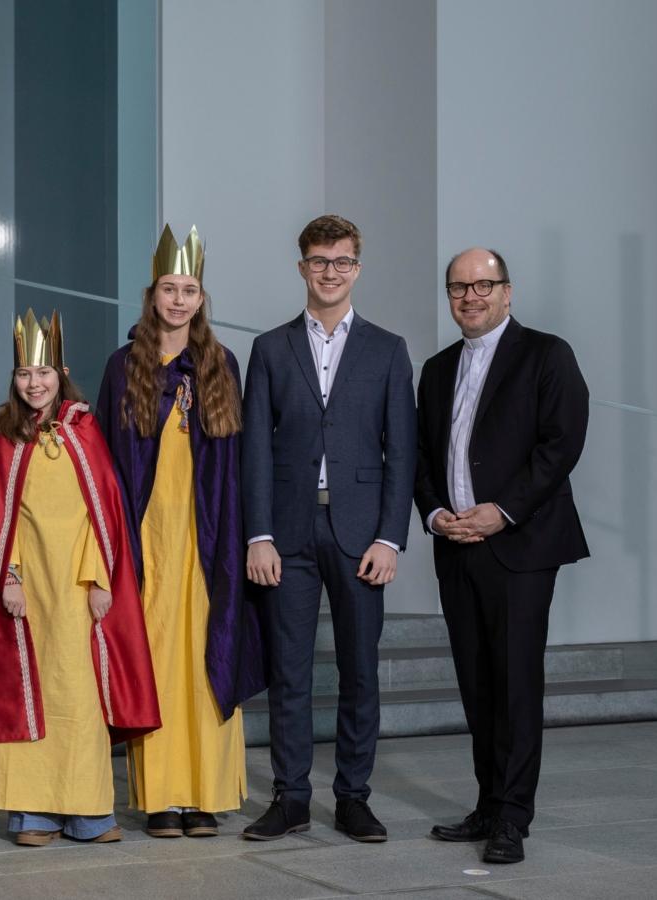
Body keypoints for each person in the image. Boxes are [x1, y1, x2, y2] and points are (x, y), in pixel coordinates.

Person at [240, 214, 416, 843]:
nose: (331, 272)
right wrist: (256, 533)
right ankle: (289, 797)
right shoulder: (268, 348)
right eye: (320, 261)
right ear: (302, 267)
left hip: (362, 534)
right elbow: (254, 448)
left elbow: (403, 452)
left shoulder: (389, 349)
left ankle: (353, 798)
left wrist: (390, 538)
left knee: (359, 670)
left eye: (342, 262)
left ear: (357, 269)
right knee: (289, 671)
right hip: (286, 534)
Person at [418, 248, 589, 865]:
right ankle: (489, 803)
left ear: (507, 292)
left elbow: (560, 444)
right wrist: (437, 514)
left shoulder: (546, 354)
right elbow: (422, 457)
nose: (471, 296)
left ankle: (513, 818)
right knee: (477, 681)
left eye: (483, 285)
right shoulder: (437, 370)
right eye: (459, 287)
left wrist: (502, 511)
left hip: (518, 545)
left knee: (516, 682)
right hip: (456, 545)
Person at [96, 225, 265, 838]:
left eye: (189, 290)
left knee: (206, 656)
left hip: (209, 539)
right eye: (169, 288)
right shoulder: (125, 366)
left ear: (201, 298)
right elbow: (110, 460)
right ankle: (163, 797)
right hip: (148, 539)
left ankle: (207, 796)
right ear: (153, 293)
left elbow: (241, 461)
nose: (178, 300)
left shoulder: (220, 365)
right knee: (158, 659)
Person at [0, 309, 160, 847]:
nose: (35, 383)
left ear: (61, 373)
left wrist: (101, 581)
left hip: (79, 590)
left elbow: (104, 514)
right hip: (28, 591)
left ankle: (88, 810)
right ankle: (32, 813)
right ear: (15, 379)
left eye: (44, 372)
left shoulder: (85, 430)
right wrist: (9, 576)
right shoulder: (4, 437)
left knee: (78, 696)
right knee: (27, 692)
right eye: (25, 374)